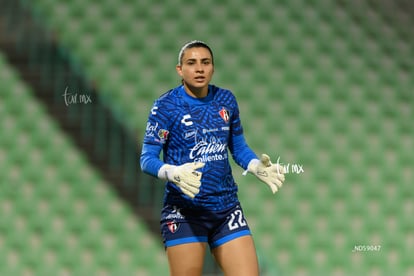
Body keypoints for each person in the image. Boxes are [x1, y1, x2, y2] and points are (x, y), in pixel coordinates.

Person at [140, 40, 286, 276]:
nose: (199, 69)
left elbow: (237, 148)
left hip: (226, 209)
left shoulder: (226, 100)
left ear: (213, 68)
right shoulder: (165, 106)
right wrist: (173, 172)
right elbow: (146, 159)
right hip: (185, 211)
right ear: (180, 69)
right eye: (191, 63)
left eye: (205, 63)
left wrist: (255, 165)